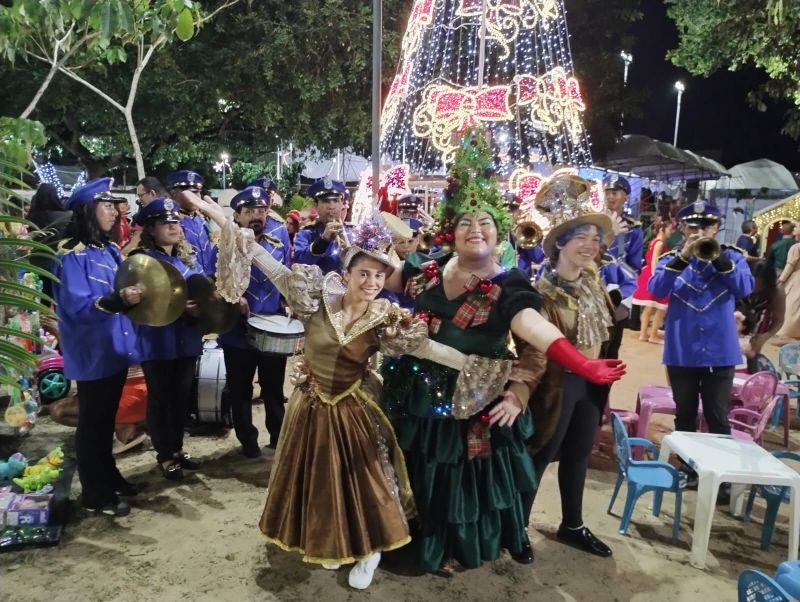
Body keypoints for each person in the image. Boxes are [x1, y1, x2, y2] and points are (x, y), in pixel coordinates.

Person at [187, 192, 494, 590]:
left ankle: (371, 550)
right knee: (318, 479)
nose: (372, 283)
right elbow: (262, 258)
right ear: (347, 273)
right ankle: (334, 540)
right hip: (311, 405)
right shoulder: (314, 299)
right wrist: (218, 216)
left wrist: (474, 364)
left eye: (380, 276)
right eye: (364, 274)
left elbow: (427, 347)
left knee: (367, 481)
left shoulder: (386, 317)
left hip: (355, 406)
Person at [380, 139, 625, 574]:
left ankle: (453, 549)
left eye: (486, 222)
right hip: (416, 397)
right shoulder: (424, 269)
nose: (476, 228)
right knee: (416, 469)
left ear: (499, 234)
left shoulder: (511, 285)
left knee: (460, 480)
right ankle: (408, 535)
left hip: (476, 400)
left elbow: (535, 332)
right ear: (450, 233)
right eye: (466, 222)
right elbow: (376, 284)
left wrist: (570, 369)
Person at [524, 173, 618, 559]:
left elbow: (608, 333)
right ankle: (518, 527)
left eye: (595, 239)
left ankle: (573, 525)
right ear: (560, 243)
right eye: (581, 238)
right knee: (540, 454)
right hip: (555, 385)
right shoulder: (539, 293)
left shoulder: (594, 285)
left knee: (579, 453)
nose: (591, 246)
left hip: (592, 384)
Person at [52, 177, 141, 516]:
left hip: (114, 350)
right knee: (92, 424)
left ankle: (108, 476)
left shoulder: (105, 251)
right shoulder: (71, 254)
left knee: (107, 420)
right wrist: (120, 299)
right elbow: (77, 305)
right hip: (91, 352)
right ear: (87, 211)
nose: (114, 213)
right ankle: (95, 493)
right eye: (106, 207)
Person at [648, 200, 753, 455]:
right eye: (693, 226)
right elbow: (656, 289)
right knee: (684, 416)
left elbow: (745, 288)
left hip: (720, 353)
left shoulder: (734, 256)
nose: (700, 231)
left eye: (707, 225)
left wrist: (720, 260)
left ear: (716, 228)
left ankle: (721, 473)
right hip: (682, 353)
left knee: (718, 417)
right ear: (683, 228)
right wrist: (683, 257)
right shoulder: (671, 259)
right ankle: (689, 468)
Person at [210, 186, 291, 458]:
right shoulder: (224, 240)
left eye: (262, 210)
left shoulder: (279, 237)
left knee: (273, 388)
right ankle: (248, 441)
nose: (258, 215)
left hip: (272, 325)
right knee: (241, 390)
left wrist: (287, 300)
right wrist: (233, 298)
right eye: (250, 211)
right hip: (237, 331)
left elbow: (285, 272)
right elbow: (214, 280)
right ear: (238, 215)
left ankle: (278, 437)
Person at [131, 198, 204, 480]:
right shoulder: (143, 260)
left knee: (180, 398)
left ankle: (176, 449)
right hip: (157, 341)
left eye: (175, 221)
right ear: (151, 229)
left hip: (185, 338)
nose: (174, 226)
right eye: (165, 223)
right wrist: (178, 306)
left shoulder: (185, 258)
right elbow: (142, 302)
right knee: (161, 399)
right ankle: (164, 454)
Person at [293, 178, 351, 274]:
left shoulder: (352, 232)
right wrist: (322, 241)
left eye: (336, 200)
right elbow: (300, 263)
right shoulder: (306, 233)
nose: (331, 206)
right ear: (316, 207)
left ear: (342, 205)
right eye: (325, 201)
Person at [736, 260, 785, 370]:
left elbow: (779, 320)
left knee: (751, 362)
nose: (755, 289)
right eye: (753, 284)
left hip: (756, 328)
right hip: (733, 324)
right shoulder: (737, 281)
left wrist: (764, 337)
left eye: (760, 286)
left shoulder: (777, 291)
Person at [166, 170, 216, 276]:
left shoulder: (201, 219)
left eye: (197, 192)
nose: (195, 197)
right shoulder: (171, 223)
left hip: (208, 281)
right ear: (173, 194)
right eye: (190, 193)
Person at [27, 183, 73, 298]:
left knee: (39, 299)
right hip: (58, 264)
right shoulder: (67, 217)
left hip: (35, 264)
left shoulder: (31, 218)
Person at [632, 219, 673, 343]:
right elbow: (655, 260)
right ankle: (652, 335)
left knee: (649, 308)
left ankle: (644, 334)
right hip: (654, 275)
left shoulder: (654, 241)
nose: (671, 232)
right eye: (670, 229)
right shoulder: (659, 243)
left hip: (648, 274)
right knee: (661, 308)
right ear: (662, 229)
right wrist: (656, 278)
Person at [603, 174, 643, 275]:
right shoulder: (593, 223)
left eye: (614, 193)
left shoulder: (631, 229)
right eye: (606, 193)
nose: (609, 197)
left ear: (626, 198)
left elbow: (634, 267)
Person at [122, 176, 167, 256]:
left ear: (152, 193)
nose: (139, 199)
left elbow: (129, 249)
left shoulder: (146, 218)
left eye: (141, 195)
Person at [774, 240, 800, 341]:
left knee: (791, 306)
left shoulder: (796, 247)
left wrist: (781, 280)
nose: (795, 228)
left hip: (797, 280)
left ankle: (787, 332)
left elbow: (790, 265)